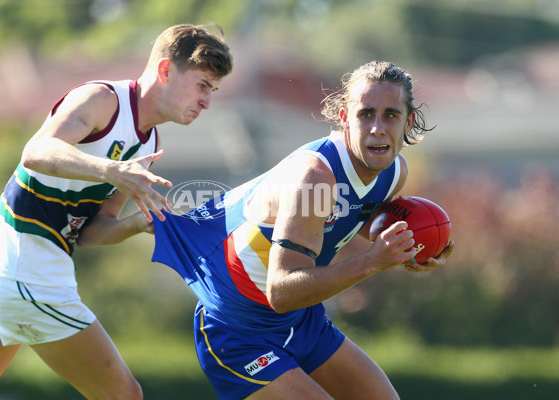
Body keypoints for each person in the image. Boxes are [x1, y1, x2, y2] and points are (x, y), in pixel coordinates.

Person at [0, 23, 233, 400]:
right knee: (124, 395)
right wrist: (110, 170)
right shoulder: (104, 100)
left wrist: (139, 224)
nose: (207, 101)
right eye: (202, 85)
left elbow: (91, 231)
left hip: (31, 260)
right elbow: (37, 152)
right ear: (166, 70)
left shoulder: (148, 142)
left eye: (213, 91)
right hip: (24, 259)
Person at [150, 61, 455, 399]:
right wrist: (374, 261)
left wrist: (408, 248)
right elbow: (281, 291)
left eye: (391, 115)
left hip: (301, 323)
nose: (378, 128)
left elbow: (349, 221)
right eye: (366, 114)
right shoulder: (315, 178)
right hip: (238, 330)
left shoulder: (393, 172)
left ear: (409, 121)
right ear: (344, 118)